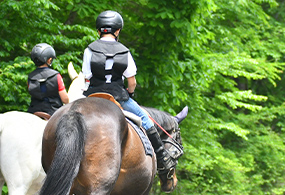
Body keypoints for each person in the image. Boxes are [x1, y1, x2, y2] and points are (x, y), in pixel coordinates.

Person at [81, 10, 176, 179]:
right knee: (146, 119)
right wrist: (129, 94)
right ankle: (162, 159)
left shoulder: (90, 50)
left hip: (93, 97)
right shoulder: (124, 51)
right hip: (118, 97)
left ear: (98, 30)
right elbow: (131, 82)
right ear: (117, 31)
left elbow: (87, 77)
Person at [27, 43, 70, 117]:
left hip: (33, 111)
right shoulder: (56, 76)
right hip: (54, 112)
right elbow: (65, 100)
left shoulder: (30, 77)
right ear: (49, 60)